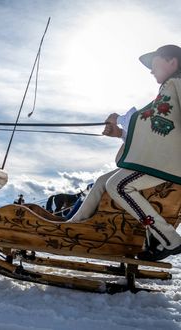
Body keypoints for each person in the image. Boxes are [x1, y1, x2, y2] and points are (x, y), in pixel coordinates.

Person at [69, 45, 181, 261]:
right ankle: (73, 226)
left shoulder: (176, 85)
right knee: (103, 182)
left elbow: (149, 120)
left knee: (117, 185)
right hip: (161, 161)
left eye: (154, 63)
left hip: (169, 163)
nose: (151, 70)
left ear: (172, 62)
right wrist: (120, 132)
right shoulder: (169, 87)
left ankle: (170, 239)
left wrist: (120, 119)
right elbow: (155, 131)